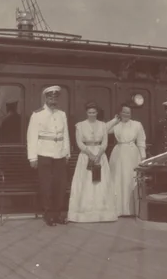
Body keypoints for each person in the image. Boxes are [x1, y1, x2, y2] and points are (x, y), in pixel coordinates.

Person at [27, 85, 71, 226]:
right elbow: (32, 136)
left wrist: (67, 152)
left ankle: (58, 214)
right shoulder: (37, 114)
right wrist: (32, 157)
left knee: (60, 185)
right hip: (44, 153)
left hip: (59, 154)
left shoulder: (61, 114)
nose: (53, 99)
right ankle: (48, 215)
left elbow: (65, 135)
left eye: (56, 97)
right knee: (46, 185)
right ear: (45, 98)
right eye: (50, 97)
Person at [68, 101, 118, 223]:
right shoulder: (79, 125)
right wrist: (90, 154)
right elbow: (79, 142)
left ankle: (103, 213)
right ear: (86, 113)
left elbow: (105, 142)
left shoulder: (103, 125)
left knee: (100, 182)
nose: (92, 114)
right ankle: (84, 212)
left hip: (100, 156)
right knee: (86, 182)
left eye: (94, 112)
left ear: (97, 113)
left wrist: (99, 154)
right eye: (89, 112)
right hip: (86, 155)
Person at [107, 102, 147, 217]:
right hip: (118, 153)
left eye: (128, 112)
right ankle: (118, 210)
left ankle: (132, 210)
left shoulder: (137, 125)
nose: (126, 114)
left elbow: (141, 141)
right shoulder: (116, 125)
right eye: (124, 112)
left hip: (132, 154)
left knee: (131, 179)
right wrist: (114, 120)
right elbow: (103, 130)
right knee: (118, 179)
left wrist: (143, 157)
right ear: (120, 112)